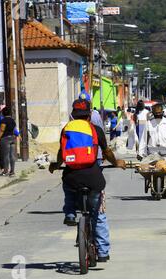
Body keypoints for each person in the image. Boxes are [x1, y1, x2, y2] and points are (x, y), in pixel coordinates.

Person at [49, 98, 126, 262]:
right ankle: (103, 252)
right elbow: (107, 153)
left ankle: (70, 213)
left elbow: (62, 154)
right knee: (98, 214)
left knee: (69, 191)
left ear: (73, 114)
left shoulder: (66, 129)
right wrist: (117, 162)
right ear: (89, 114)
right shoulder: (96, 130)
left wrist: (55, 165)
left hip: (72, 177)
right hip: (93, 178)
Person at [138, 104, 166, 198]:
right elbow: (144, 139)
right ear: (153, 113)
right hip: (152, 151)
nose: (158, 115)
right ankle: (152, 183)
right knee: (150, 168)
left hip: (165, 150)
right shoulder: (149, 123)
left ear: (163, 113)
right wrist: (140, 152)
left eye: (160, 113)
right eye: (156, 114)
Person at [0, 105, 20, 173]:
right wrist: (18, 135)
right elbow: (14, 129)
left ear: (3, 113)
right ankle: (12, 171)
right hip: (13, 139)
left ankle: (5, 170)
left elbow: (1, 130)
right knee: (12, 155)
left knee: (6, 155)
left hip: (5, 139)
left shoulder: (3, 120)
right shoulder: (12, 120)